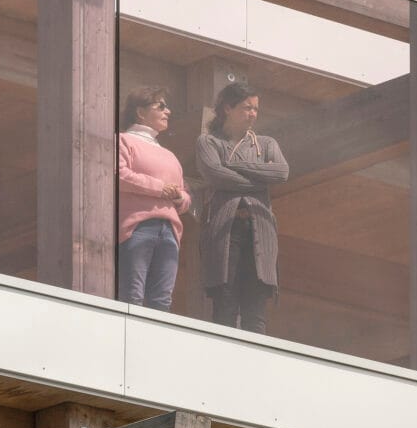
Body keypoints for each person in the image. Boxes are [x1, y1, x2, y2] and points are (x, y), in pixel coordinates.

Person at [193, 80, 290, 333]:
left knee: (255, 308)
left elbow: (281, 172)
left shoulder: (266, 143)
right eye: (247, 108)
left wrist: (234, 165)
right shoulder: (208, 142)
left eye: (256, 109)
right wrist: (259, 182)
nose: (253, 114)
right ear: (228, 108)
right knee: (224, 302)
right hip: (225, 228)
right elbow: (216, 175)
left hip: (260, 227)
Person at [115, 85, 189, 310]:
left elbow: (184, 194)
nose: (168, 111)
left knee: (162, 299)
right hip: (137, 227)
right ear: (140, 112)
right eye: (161, 106)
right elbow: (119, 174)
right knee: (133, 294)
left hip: (169, 230)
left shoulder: (170, 155)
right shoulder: (123, 140)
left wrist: (179, 197)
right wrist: (160, 188)